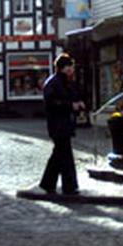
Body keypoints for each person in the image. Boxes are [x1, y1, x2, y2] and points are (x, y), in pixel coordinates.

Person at [38, 54, 84, 195]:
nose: (71, 69)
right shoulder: (52, 83)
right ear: (62, 68)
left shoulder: (65, 82)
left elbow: (70, 98)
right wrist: (71, 105)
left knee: (59, 154)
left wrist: (78, 104)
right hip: (57, 124)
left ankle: (48, 183)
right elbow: (52, 104)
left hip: (64, 123)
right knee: (64, 155)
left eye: (72, 66)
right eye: (69, 66)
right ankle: (68, 186)